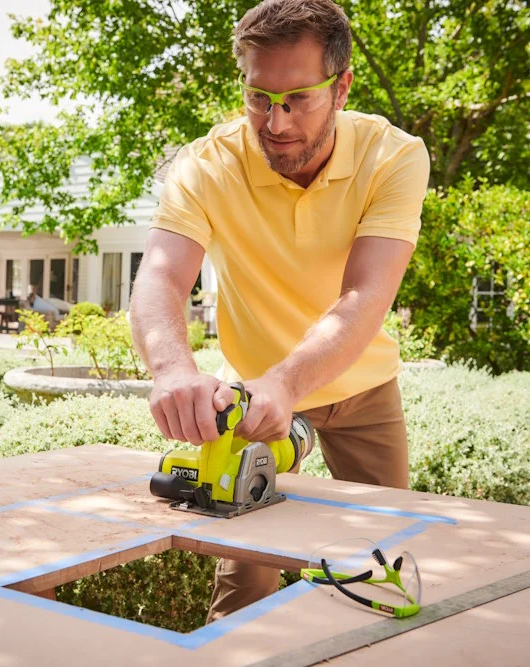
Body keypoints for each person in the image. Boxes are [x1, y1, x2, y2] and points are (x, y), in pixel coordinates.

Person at [128, 0, 431, 623]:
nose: (275, 120)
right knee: (242, 598)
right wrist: (171, 368)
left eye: (298, 98)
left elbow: (364, 299)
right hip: (255, 403)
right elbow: (159, 275)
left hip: (362, 393)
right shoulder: (207, 163)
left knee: (381, 580)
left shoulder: (395, 157)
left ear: (342, 86)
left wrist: (289, 382)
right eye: (258, 97)